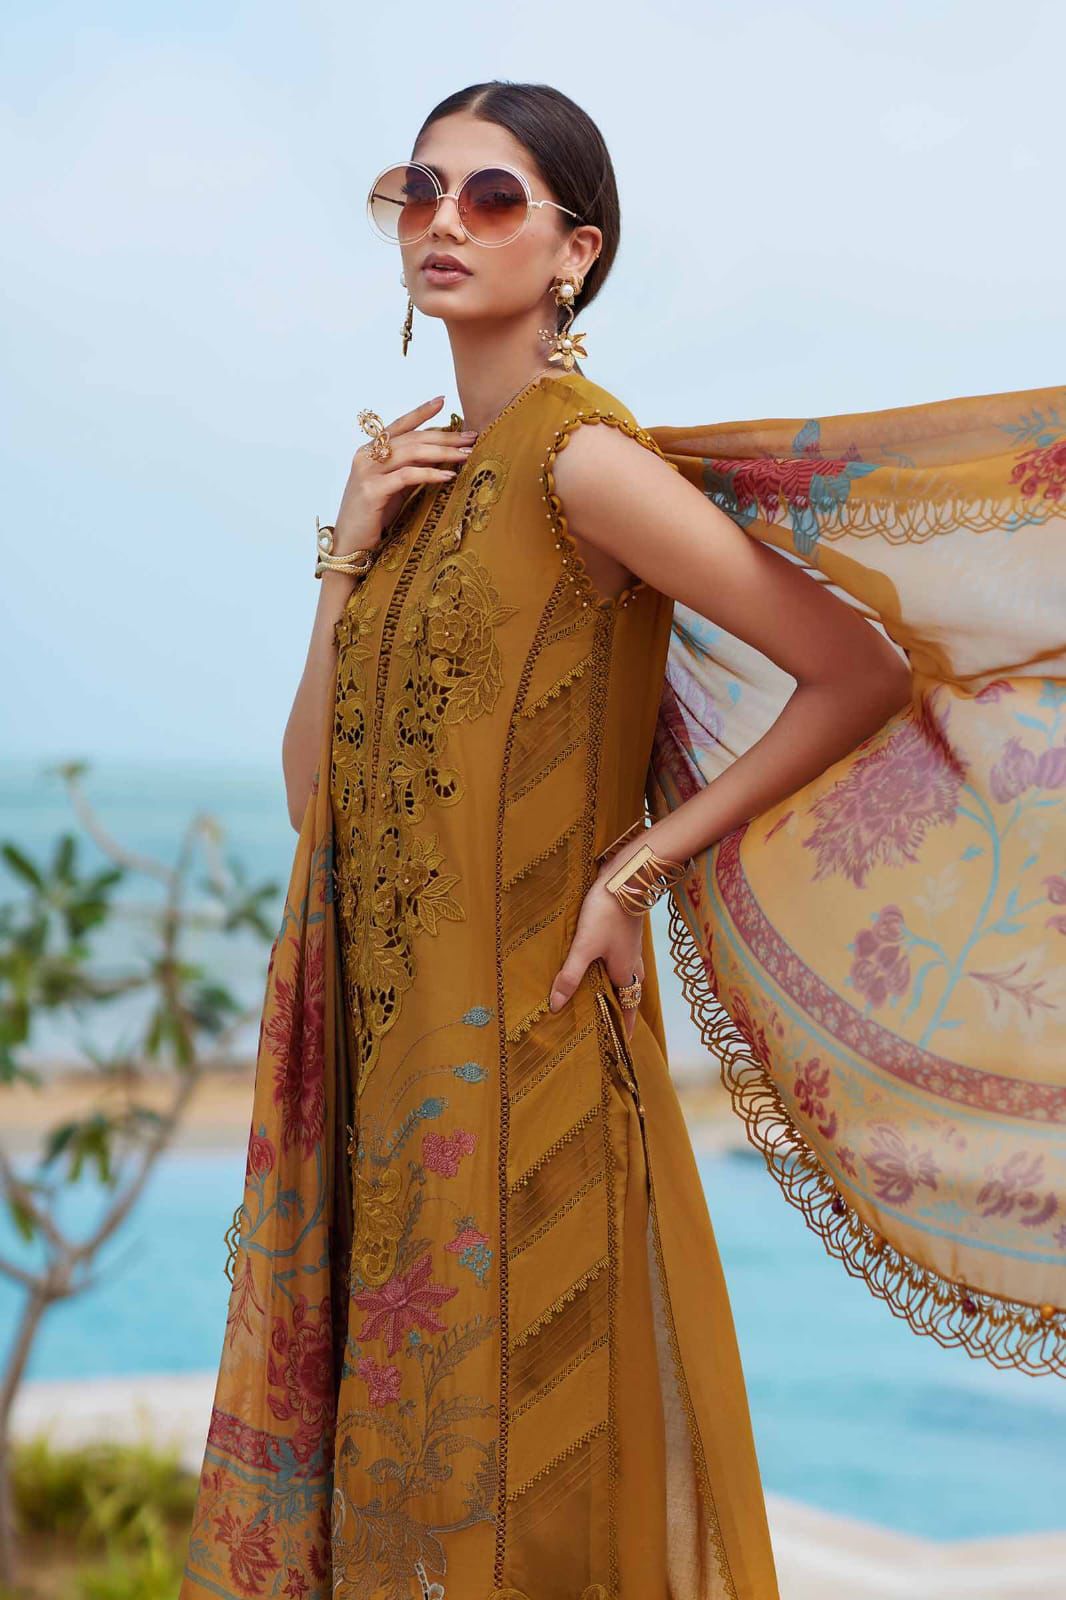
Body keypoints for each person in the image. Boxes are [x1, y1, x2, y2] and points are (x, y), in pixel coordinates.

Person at [180, 80, 1065, 1600]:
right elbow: (309, 797)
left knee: (517, 1506)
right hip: (381, 1069)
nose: (441, 221)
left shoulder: (582, 465)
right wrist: (345, 546)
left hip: (523, 1055)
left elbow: (851, 666)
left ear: (574, 251)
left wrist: (636, 871)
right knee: (400, 1512)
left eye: (492, 197)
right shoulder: (418, 487)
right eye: (418, 190)